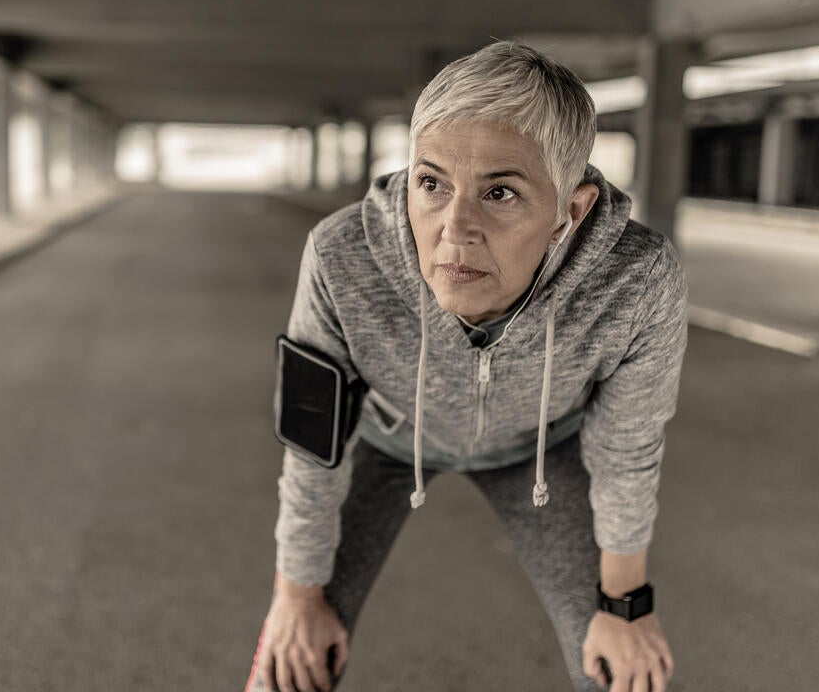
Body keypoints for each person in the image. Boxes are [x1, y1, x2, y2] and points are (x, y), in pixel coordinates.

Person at [246, 41, 686, 692]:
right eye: (432, 184)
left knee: (627, 679)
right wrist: (296, 598)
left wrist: (625, 608)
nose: (455, 227)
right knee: (285, 669)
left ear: (571, 211)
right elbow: (312, 442)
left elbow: (628, 448)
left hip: (540, 450)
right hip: (385, 438)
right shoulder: (341, 255)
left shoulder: (640, 278)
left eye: (500, 192)